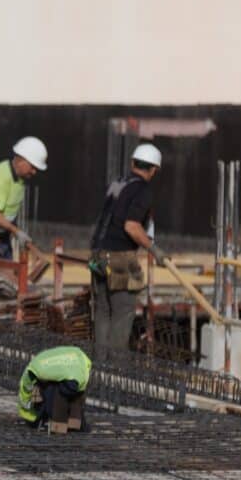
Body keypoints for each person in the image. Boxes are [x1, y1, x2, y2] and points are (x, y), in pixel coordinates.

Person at [89, 142, 167, 354]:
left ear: (133, 163)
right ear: (154, 170)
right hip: (119, 257)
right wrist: (154, 249)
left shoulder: (117, 183)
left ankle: (99, 367)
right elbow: (131, 226)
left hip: (98, 254)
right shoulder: (142, 190)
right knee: (123, 313)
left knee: (104, 311)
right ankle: (117, 371)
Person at [17, 345, 91, 432]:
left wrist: (33, 418)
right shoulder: (37, 369)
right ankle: (72, 424)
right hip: (77, 369)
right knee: (69, 397)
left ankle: (61, 425)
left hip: (74, 370)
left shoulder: (37, 369)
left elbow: (26, 388)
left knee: (57, 395)